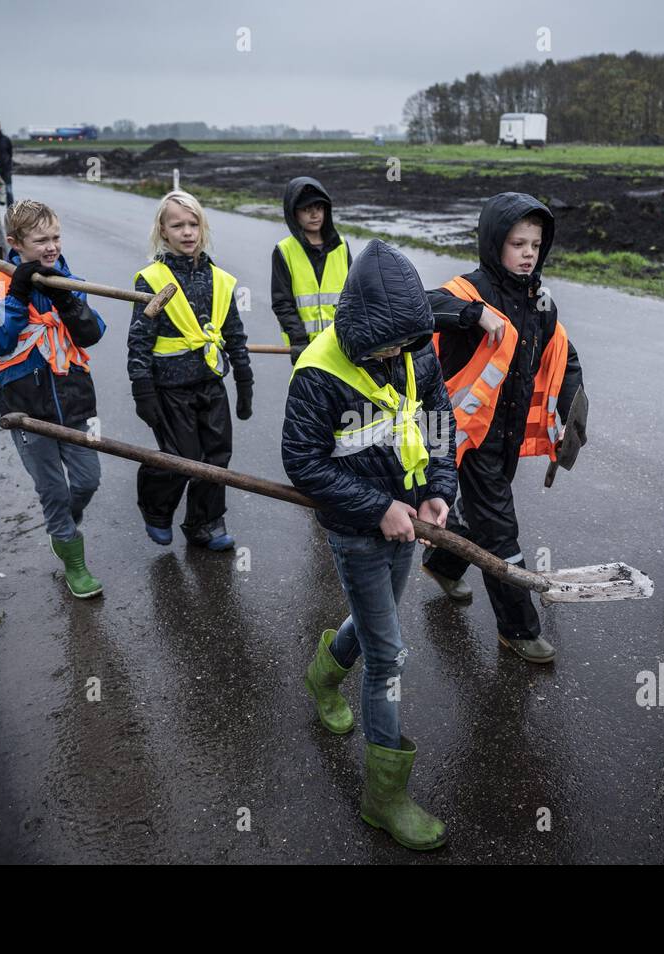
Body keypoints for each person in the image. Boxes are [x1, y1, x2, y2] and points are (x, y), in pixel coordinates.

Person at [283, 239, 456, 851]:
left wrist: (438, 488)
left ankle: (322, 675)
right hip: (357, 530)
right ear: (356, 327)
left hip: (410, 519)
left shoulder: (413, 346)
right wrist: (376, 507)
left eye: (404, 342)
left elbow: (437, 415)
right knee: (388, 656)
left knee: (371, 618)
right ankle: (384, 797)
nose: (395, 353)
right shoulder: (319, 372)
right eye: (385, 343)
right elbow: (301, 463)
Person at [421, 193, 584, 664]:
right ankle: (518, 628)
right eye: (517, 243)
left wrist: (573, 413)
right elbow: (420, 308)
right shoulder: (469, 290)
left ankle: (443, 561)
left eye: (536, 243)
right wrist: (473, 314)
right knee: (500, 530)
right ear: (495, 244)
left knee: (479, 517)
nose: (529, 252)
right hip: (465, 436)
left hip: (505, 434)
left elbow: (564, 356)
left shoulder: (540, 301)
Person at [0, 199, 107, 598]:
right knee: (52, 490)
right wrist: (17, 292)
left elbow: (92, 334)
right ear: (15, 242)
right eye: (41, 239)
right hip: (26, 410)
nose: (51, 246)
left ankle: (64, 523)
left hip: (75, 403)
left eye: (56, 237)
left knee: (87, 480)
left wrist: (64, 298)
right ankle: (74, 563)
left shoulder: (69, 279)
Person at [128, 190, 253, 549]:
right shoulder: (151, 279)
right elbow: (139, 340)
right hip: (170, 388)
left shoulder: (220, 280)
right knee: (181, 458)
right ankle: (155, 508)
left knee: (216, 458)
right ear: (163, 231)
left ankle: (205, 524)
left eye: (193, 223)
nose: (187, 232)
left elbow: (234, 336)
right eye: (177, 225)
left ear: (203, 228)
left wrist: (244, 381)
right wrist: (143, 390)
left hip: (211, 384)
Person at [270, 176, 351, 363]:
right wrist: (298, 340)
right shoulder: (284, 251)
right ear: (294, 213)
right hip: (306, 349)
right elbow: (282, 303)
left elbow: (353, 296)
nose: (315, 215)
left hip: (341, 347)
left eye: (319, 208)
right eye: (307, 209)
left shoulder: (342, 247)